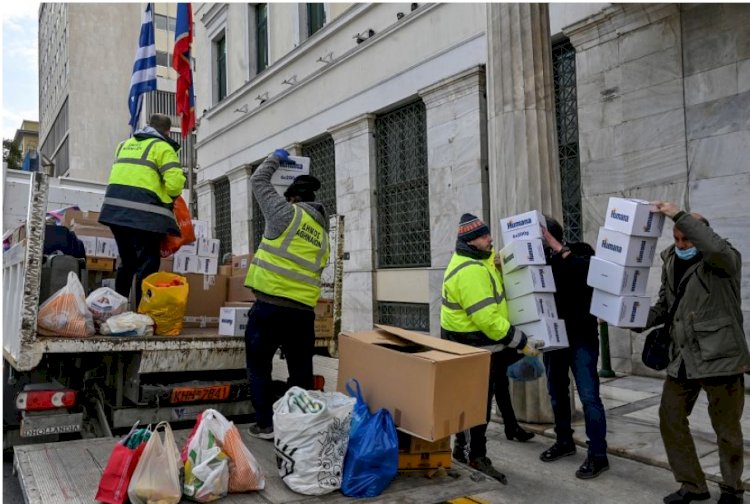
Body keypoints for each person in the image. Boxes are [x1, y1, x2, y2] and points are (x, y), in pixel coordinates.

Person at [642, 202, 749, 504]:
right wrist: (635, 318)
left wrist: (678, 214)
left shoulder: (724, 259)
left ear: (701, 234)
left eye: (686, 238)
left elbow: (713, 248)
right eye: (676, 238)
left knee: (726, 428)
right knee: (670, 417)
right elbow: (665, 306)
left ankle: (732, 489)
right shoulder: (670, 261)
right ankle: (693, 485)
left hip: (721, 356)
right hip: (683, 357)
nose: (681, 245)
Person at [441, 213, 543, 483]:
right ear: (473, 241)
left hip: (476, 347)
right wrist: (521, 340)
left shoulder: (473, 259)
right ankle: (476, 454)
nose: (490, 239)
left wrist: (497, 259)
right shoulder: (470, 273)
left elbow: (488, 259)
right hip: (475, 347)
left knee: (471, 401)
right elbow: (486, 319)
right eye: (486, 236)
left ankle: (462, 449)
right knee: (478, 405)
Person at [244, 149, 329, 439]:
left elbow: (258, 181)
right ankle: (299, 425)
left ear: (292, 198)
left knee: (258, 366)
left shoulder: (285, 214)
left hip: (269, 308)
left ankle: (265, 425)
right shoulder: (322, 237)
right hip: (302, 313)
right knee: (301, 371)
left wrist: (274, 159)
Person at [538, 216, 609, 479]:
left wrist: (558, 249)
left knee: (589, 397)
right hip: (554, 339)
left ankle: (598, 454)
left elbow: (588, 272)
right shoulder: (538, 262)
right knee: (556, 393)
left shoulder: (580, 253)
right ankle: (564, 441)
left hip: (582, 338)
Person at [99, 113, 185, 307]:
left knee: (127, 262)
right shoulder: (163, 147)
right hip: (145, 215)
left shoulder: (124, 145)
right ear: (167, 131)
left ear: (148, 126)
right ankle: (141, 313)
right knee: (148, 263)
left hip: (115, 213)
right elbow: (175, 185)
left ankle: (117, 310)